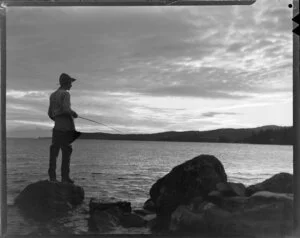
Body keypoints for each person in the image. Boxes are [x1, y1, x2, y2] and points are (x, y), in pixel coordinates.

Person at [47, 73, 81, 183]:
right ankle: (65, 178)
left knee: (54, 153)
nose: (71, 85)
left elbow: (50, 113)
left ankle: (52, 178)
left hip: (56, 129)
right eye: (70, 83)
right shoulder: (65, 94)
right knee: (66, 152)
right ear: (66, 83)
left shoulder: (52, 95)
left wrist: (57, 119)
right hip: (66, 129)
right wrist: (73, 113)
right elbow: (66, 109)